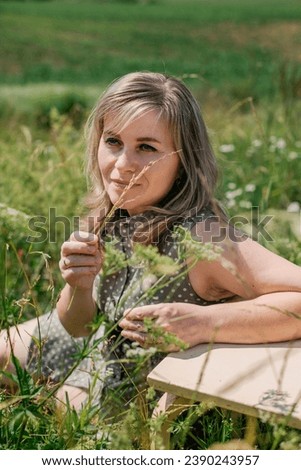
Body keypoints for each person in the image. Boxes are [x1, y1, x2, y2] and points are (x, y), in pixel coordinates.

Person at [1, 72, 301, 412]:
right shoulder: (110, 213)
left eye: (146, 147)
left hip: (135, 390)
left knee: (48, 406)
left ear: (183, 160)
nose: (122, 165)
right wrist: (78, 285)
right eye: (113, 142)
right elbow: (78, 327)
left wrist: (204, 324)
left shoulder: (203, 237)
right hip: (95, 348)